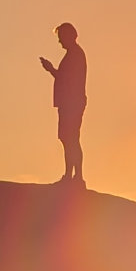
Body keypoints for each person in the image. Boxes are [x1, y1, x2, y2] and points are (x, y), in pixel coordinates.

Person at [38, 22, 87, 185]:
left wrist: (51, 69)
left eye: (61, 38)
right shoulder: (73, 54)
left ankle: (76, 177)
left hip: (72, 103)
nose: (60, 42)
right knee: (68, 138)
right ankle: (70, 175)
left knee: (71, 138)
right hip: (68, 103)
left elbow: (67, 79)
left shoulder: (76, 55)